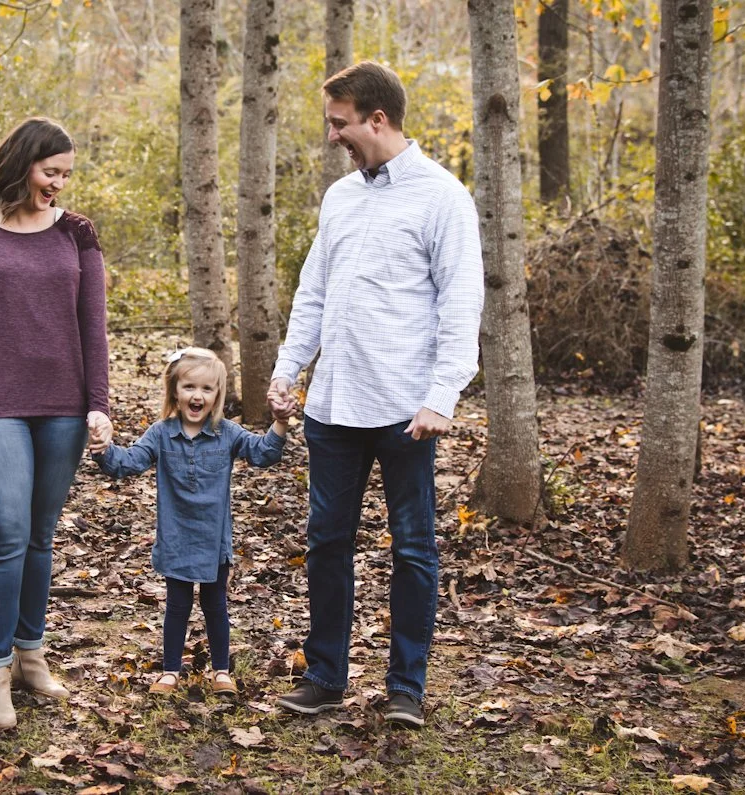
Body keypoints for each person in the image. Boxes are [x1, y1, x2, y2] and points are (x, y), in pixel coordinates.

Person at [267, 61, 484, 727]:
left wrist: (442, 395)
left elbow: (461, 302)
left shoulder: (442, 197)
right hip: (333, 406)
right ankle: (326, 675)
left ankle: (406, 689)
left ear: (378, 119)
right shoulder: (341, 198)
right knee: (326, 540)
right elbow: (315, 292)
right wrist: (288, 369)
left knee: (413, 547)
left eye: (340, 123)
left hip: (406, 411)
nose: (333, 136)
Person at [0, 117, 112, 730]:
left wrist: (99, 402)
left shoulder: (78, 234)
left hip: (62, 405)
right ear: (22, 166)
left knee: (41, 536)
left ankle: (31, 656)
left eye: (67, 173)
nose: (60, 183)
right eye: (50, 171)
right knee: (6, 534)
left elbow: (94, 324)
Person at [91, 348, 286, 697]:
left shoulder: (227, 434)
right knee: (177, 605)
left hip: (214, 541)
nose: (198, 395)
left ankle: (222, 671)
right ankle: (170, 671)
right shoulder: (161, 434)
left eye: (207, 389)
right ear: (175, 391)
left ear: (217, 395)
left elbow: (263, 453)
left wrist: (280, 422)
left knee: (215, 605)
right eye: (189, 387)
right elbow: (128, 462)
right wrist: (103, 449)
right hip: (176, 536)